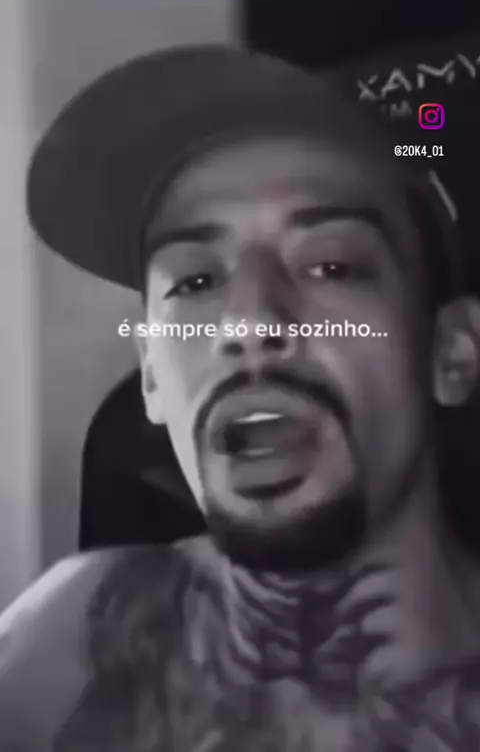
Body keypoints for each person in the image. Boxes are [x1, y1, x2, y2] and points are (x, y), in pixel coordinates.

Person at [2, 44, 480, 751]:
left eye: (331, 264)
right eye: (195, 282)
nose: (247, 322)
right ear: (152, 377)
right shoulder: (71, 636)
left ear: (451, 353)